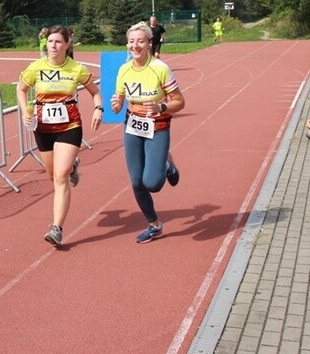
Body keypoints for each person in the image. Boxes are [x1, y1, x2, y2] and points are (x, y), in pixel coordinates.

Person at [17, 25, 102, 248]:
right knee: (52, 176)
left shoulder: (77, 69)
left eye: (57, 42)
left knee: (60, 176)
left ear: (67, 45)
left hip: (69, 126)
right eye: (50, 42)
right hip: (43, 128)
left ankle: (56, 228)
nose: (52, 46)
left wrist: (98, 108)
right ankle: (73, 166)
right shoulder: (36, 67)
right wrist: (25, 111)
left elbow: (95, 92)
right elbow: (21, 89)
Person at [110, 21, 185, 244]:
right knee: (136, 182)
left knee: (153, 183)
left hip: (158, 127)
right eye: (132, 41)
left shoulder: (160, 68)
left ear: (149, 43)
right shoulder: (124, 69)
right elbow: (119, 99)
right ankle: (154, 224)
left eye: (140, 41)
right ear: (127, 44)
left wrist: (161, 107)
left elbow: (179, 102)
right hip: (132, 127)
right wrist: (116, 104)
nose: (136, 46)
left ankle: (166, 164)